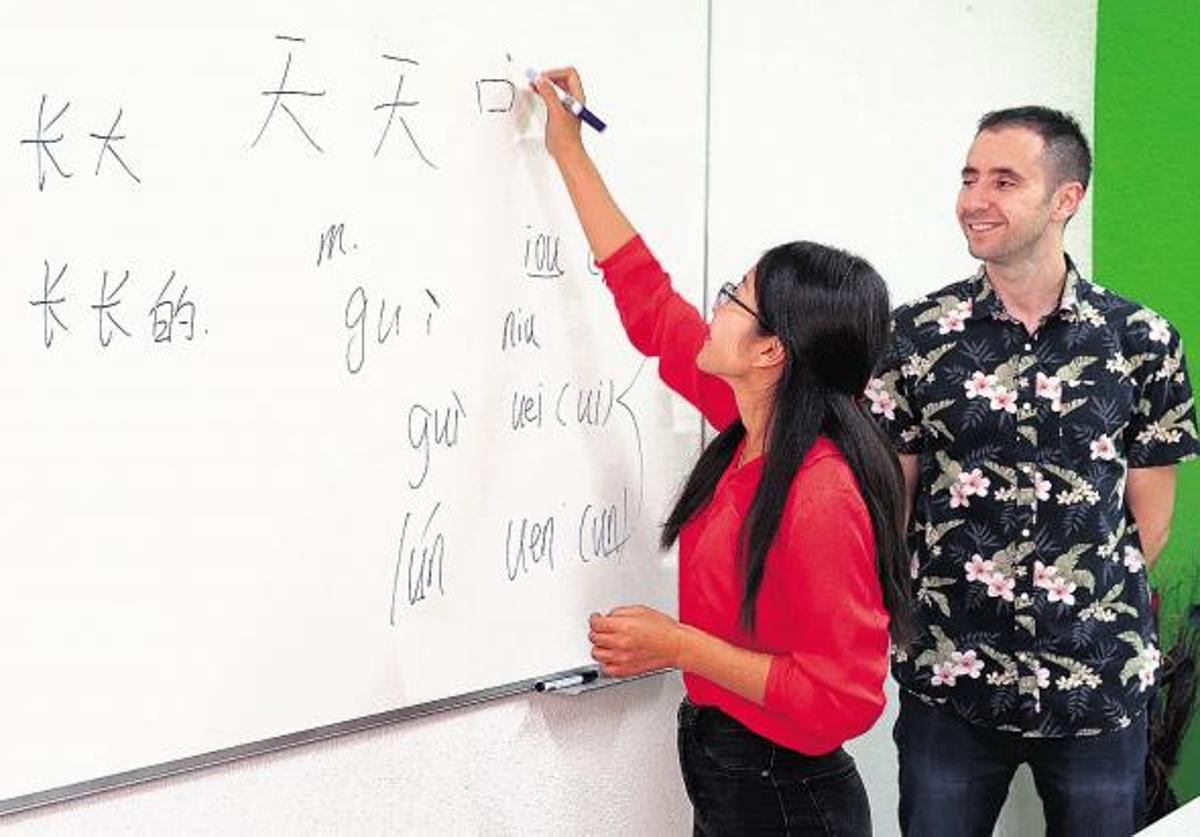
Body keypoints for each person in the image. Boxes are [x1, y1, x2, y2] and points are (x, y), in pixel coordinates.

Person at [531, 68, 915, 835]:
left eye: (733, 298)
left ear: (771, 349)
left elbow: (845, 696)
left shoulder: (820, 488)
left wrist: (678, 645)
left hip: (788, 799)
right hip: (733, 774)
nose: (715, 307)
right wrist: (567, 150)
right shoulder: (754, 420)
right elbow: (646, 299)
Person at [867, 106, 1199, 836]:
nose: (975, 199)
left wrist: (1072, 615)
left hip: (1096, 687)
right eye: (969, 177)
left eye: (1004, 180)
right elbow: (894, 500)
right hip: (950, 680)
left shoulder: (1140, 341)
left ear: (1064, 199)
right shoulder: (915, 335)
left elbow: (1152, 516)